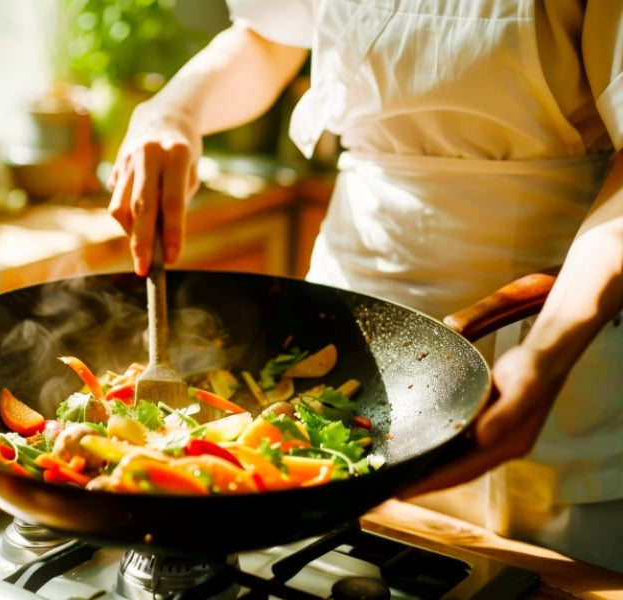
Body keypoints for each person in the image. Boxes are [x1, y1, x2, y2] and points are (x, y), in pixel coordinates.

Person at [106, 0, 623, 573]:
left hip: (549, 325)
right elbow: (270, 39)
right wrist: (174, 108)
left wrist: (546, 357)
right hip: (351, 319)